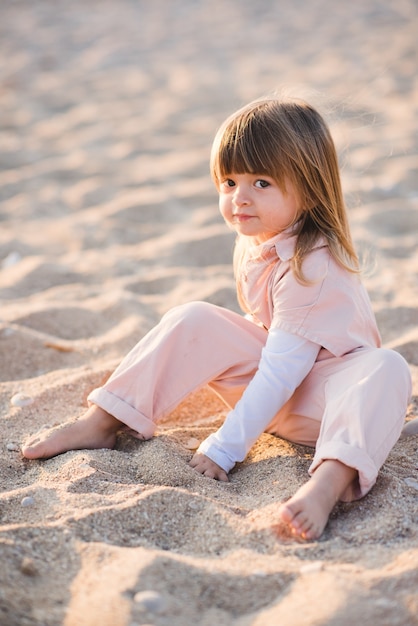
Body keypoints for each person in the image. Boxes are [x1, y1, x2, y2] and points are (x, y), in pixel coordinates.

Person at [22, 96, 412, 540]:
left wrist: (225, 447)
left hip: (326, 406)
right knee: (195, 318)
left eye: (261, 183)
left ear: (308, 187)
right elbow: (263, 339)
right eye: (228, 181)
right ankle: (103, 421)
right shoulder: (256, 240)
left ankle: (328, 483)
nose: (239, 199)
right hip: (275, 392)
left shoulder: (314, 266)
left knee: (387, 367)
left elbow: (282, 372)